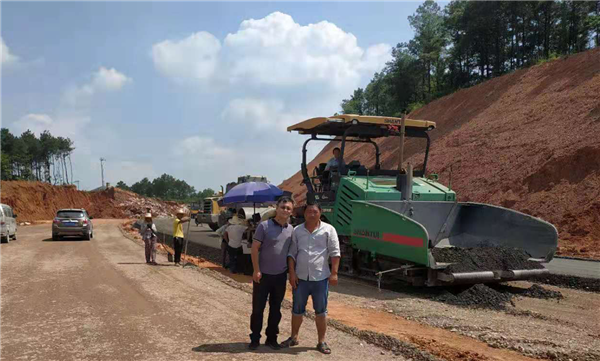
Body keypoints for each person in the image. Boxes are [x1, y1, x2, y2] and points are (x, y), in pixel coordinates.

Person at [281, 202, 341, 355]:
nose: (311, 214)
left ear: (320, 212)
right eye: (309, 212)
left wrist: (334, 273)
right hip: (300, 279)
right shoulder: (297, 231)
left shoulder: (329, 230)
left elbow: (335, 253)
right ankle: (294, 337)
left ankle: (321, 341)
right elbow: (292, 254)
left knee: (321, 311)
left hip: (320, 279)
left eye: (315, 212)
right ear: (304, 213)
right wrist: (292, 273)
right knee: (297, 310)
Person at [248, 197, 295, 351]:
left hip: (280, 276)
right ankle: (255, 338)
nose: (285, 210)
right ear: (277, 208)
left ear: (291, 211)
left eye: (288, 208)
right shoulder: (264, 226)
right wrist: (256, 270)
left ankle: (271, 338)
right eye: (283, 207)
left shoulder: (291, 230)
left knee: (276, 309)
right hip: (263, 276)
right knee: (258, 309)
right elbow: (255, 249)